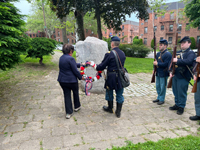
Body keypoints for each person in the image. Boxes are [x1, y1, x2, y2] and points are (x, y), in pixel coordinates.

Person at [91, 36, 126, 118]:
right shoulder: (123, 53)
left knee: (109, 92)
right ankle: (118, 112)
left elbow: (101, 66)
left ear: (112, 43)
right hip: (120, 77)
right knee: (119, 94)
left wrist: (94, 66)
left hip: (111, 77)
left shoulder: (109, 54)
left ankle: (110, 108)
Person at [169, 36, 196, 115]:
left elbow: (189, 61)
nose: (182, 45)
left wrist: (178, 60)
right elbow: (171, 63)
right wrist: (170, 71)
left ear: (189, 43)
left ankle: (181, 106)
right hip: (175, 75)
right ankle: (177, 104)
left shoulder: (191, 53)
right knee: (175, 91)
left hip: (184, 76)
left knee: (182, 92)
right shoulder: (178, 52)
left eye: (184, 43)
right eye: (181, 43)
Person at [57, 44, 84, 119]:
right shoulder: (71, 59)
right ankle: (77, 106)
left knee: (67, 95)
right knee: (75, 92)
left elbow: (73, 65)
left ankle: (68, 113)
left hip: (62, 80)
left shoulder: (61, 58)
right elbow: (75, 70)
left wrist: (81, 64)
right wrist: (81, 77)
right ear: (70, 51)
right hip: (71, 81)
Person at [153, 39, 172, 105]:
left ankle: (162, 99)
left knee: (162, 86)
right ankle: (158, 97)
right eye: (159, 45)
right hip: (158, 72)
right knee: (158, 86)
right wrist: (154, 69)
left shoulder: (168, 54)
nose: (159, 46)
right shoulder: (158, 53)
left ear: (165, 45)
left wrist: (157, 64)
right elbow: (155, 62)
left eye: (161, 45)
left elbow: (166, 64)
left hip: (164, 73)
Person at [189, 56, 200, 122]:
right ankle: (198, 114)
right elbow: (194, 65)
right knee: (197, 97)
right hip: (198, 79)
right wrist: (194, 74)